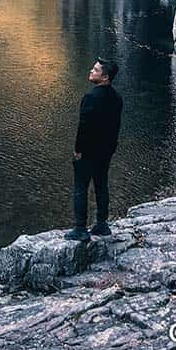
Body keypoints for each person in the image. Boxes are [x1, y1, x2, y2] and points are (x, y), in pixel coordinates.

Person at [65, 59, 123, 240]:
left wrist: (78, 150)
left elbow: (84, 127)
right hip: (105, 151)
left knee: (81, 188)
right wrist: (112, 148)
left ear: (105, 77)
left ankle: (80, 228)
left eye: (96, 70)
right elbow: (116, 126)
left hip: (89, 151)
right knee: (101, 186)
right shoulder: (116, 98)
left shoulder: (91, 97)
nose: (91, 71)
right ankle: (102, 224)